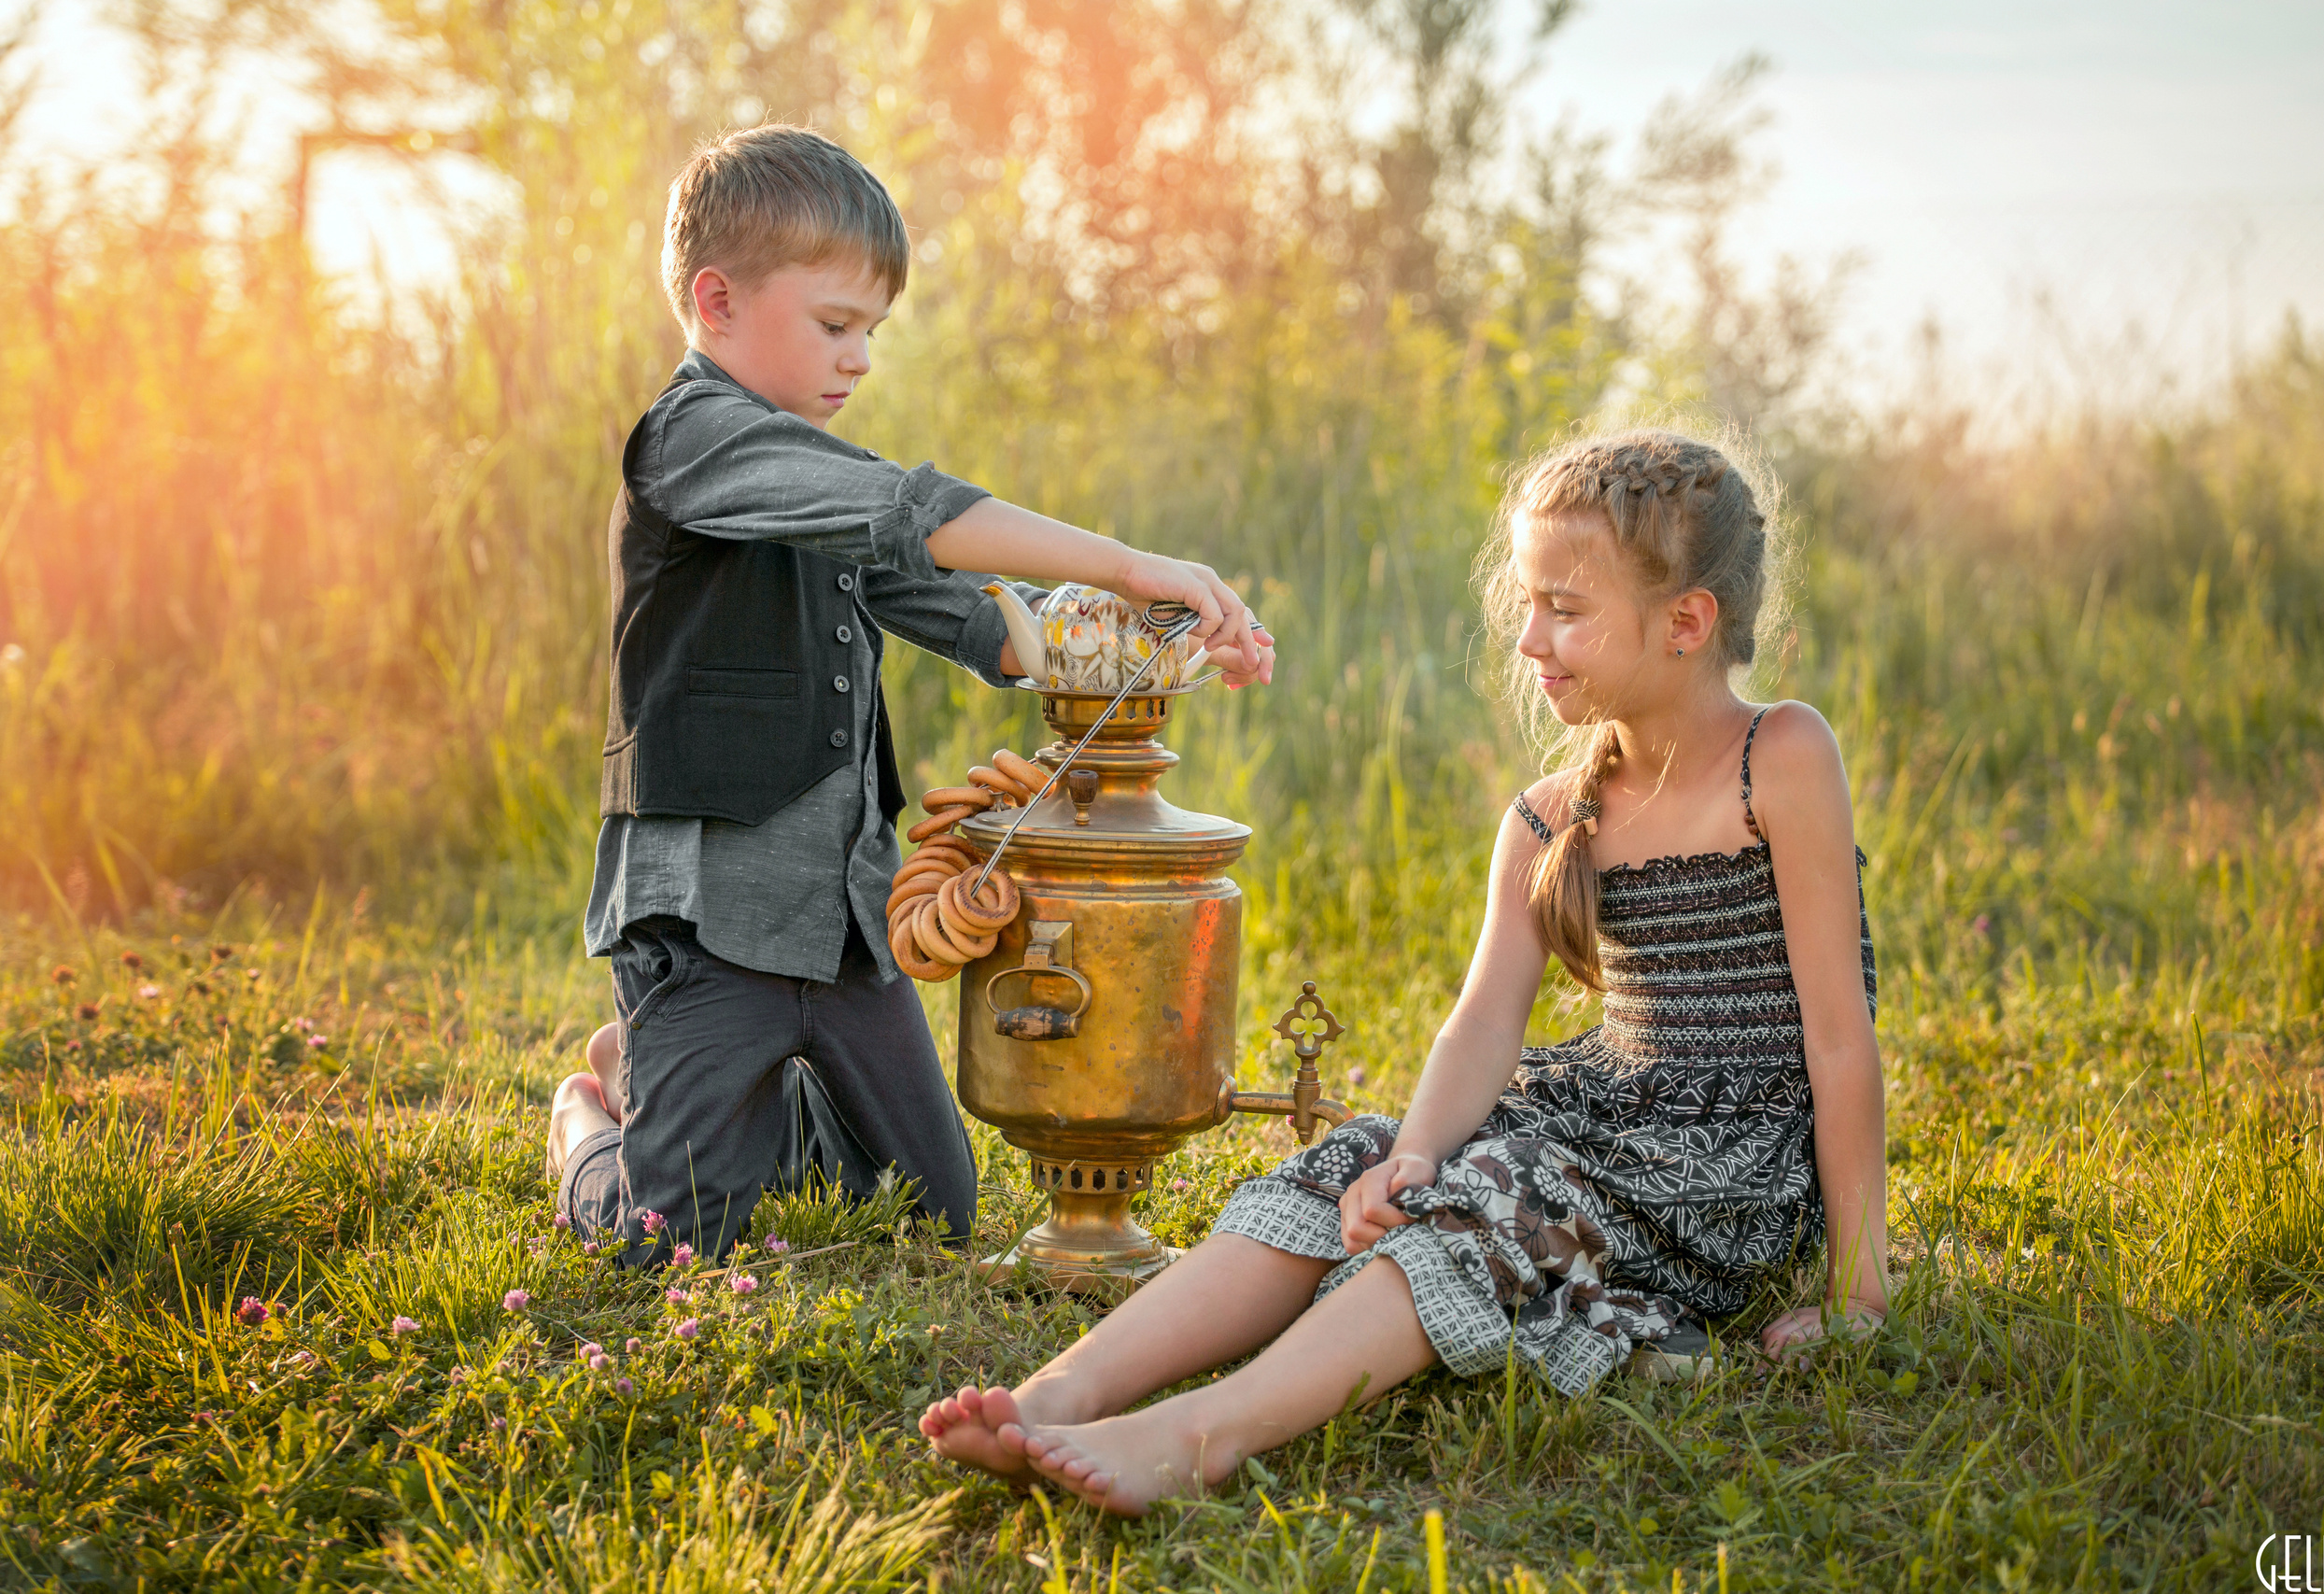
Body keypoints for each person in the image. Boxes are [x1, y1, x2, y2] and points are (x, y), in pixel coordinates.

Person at [921, 425, 1888, 1515]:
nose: (1529, 640)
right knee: (1364, 1162)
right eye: (1526, 604)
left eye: (1564, 610)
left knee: (1494, 1200)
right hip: (1600, 1118)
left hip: (1727, 1169)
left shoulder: (1782, 757)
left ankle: (1198, 1437)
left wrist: (1857, 1288)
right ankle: (1061, 1392)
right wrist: (1413, 1157)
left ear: (1686, 624)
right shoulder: (1547, 816)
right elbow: (1482, 1026)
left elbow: (1837, 1039)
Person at [546, 124, 1273, 1267]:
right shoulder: (690, 443)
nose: (860, 359)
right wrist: (1125, 560)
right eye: (836, 325)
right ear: (717, 300)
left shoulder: (825, 479)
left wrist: (1165, 633)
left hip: (840, 927)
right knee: (664, 1244)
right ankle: (593, 1119)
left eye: (870, 332)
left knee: (933, 1207)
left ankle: (721, 1109)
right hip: (710, 923)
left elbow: (981, 616)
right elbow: (913, 511)